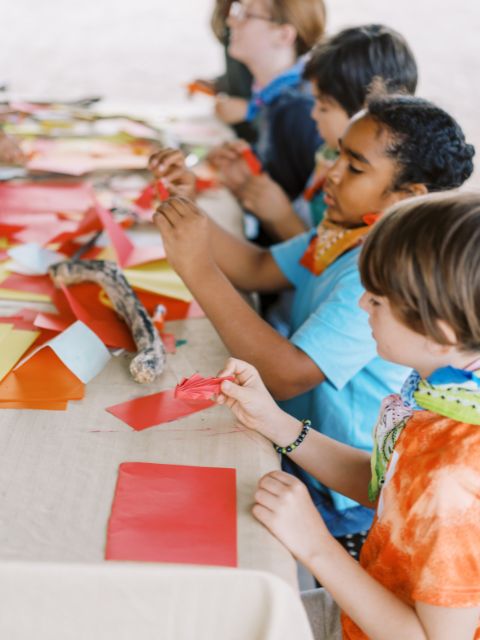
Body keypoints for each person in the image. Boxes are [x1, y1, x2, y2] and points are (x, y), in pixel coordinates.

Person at [153, 94, 475, 555]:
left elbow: (285, 376)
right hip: (332, 461)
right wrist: (187, 210)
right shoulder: (344, 233)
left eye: (356, 166)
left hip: (339, 497)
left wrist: (199, 271)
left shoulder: (375, 268)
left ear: (408, 196)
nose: (333, 174)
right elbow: (259, 266)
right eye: (336, 154)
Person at [215, 191, 480, 640]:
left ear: (440, 333)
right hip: (359, 609)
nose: (362, 307)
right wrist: (276, 423)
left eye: (377, 301)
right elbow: (394, 490)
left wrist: (315, 546)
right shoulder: (447, 392)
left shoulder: (457, 474)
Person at [238, 23, 418, 240]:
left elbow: (330, 263)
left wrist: (282, 219)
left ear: (365, 114)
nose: (313, 114)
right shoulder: (328, 153)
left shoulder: (373, 189)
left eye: (324, 106)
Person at [203, 0, 326, 215]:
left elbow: (310, 223)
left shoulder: (299, 110)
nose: (231, 19)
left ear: (284, 35)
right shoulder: (275, 98)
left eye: (247, 15)